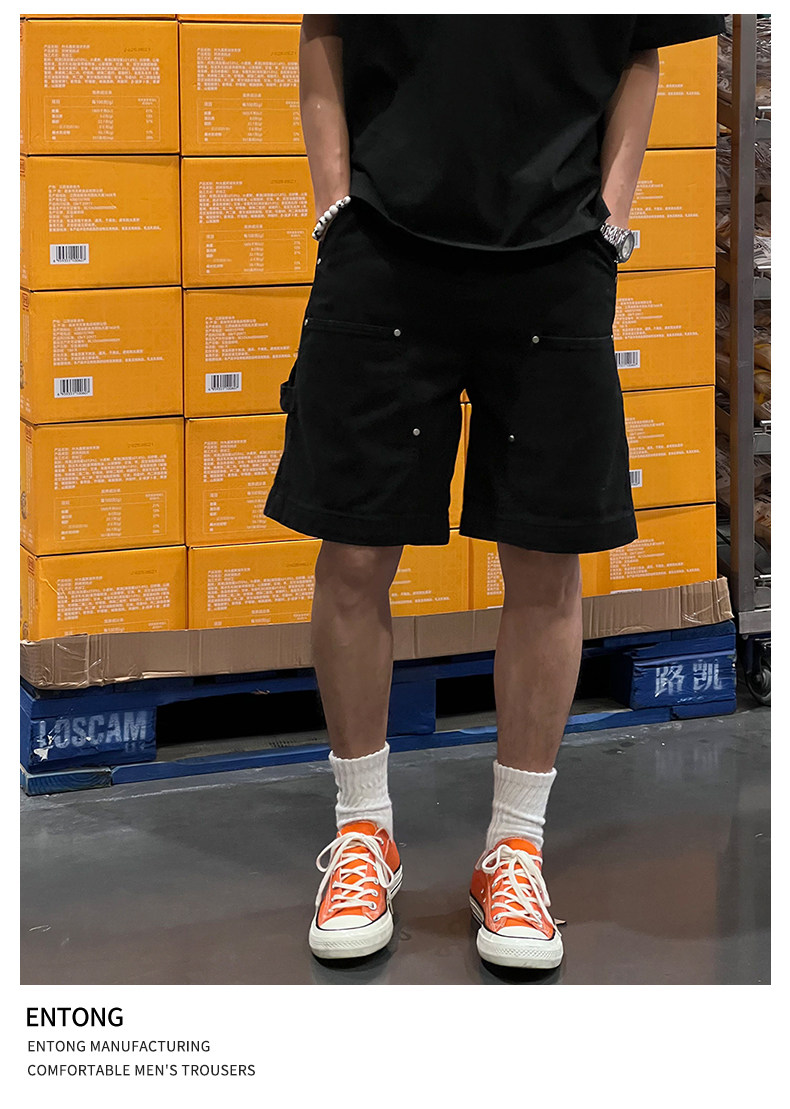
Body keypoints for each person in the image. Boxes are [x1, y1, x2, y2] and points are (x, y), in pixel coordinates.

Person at [264, 14, 725, 970]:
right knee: (354, 547)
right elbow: (324, 30)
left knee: (547, 557)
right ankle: (363, 832)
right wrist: (334, 204)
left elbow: (640, 51)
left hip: (559, 254)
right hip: (382, 245)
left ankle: (514, 849)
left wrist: (611, 217)